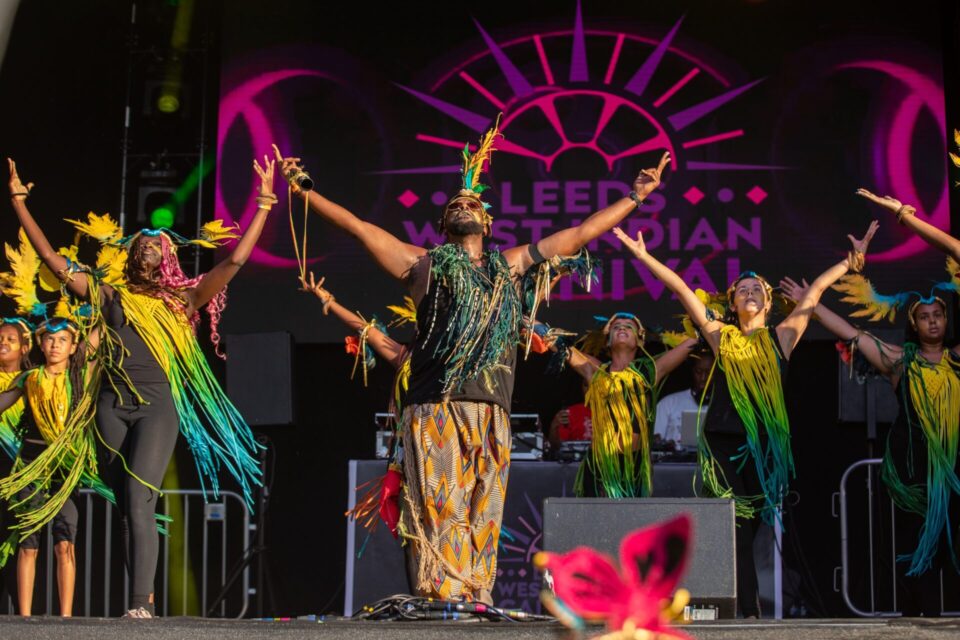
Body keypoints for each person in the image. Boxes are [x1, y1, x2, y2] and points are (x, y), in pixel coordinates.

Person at [276, 126, 671, 603]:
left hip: (492, 411)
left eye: (472, 203)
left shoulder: (511, 265)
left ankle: (475, 602)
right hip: (436, 406)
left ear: (486, 222)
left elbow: (580, 234)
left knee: (485, 511)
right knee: (441, 508)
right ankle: (442, 605)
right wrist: (304, 190)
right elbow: (358, 227)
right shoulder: (422, 265)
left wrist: (635, 196)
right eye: (454, 205)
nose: (463, 205)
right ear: (444, 225)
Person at [5, 155, 275, 618]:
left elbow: (235, 259)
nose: (148, 246)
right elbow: (52, 260)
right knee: (127, 509)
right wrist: (18, 202)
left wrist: (264, 203)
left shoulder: (182, 300)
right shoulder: (109, 295)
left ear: (168, 257)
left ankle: (138, 605)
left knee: (138, 497)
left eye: (156, 243)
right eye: (141, 243)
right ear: (130, 255)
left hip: (155, 409)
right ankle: (142, 601)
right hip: (110, 407)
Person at [614, 220, 877, 617]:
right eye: (742, 290)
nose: (750, 293)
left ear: (768, 304)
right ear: (733, 304)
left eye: (757, 290)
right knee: (734, 519)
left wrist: (849, 262)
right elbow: (681, 288)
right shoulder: (721, 335)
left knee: (753, 525)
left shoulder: (782, 336)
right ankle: (746, 609)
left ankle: (738, 600)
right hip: (723, 442)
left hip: (764, 445)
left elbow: (815, 293)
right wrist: (643, 255)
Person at [777, 187, 960, 616]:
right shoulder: (900, 362)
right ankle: (919, 623)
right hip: (913, 471)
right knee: (914, 549)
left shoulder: (957, 360)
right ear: (914, 325)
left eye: (938, 315)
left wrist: (907, 217)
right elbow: (853, 334)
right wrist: (811, 304)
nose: (932, 321)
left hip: (954, 467)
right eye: (924, 316)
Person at [0, 318, 90, 616]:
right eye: (50, 340)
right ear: (40, 343)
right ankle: (25, 618)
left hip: (64, 466)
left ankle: (66, 618)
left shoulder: (81, 377)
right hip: (32, 462)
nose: (55, 345)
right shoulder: (30, 378)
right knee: (29, 542)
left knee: (65, 541)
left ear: (73, 346)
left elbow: (99, 338)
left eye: (62, 340)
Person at [560, 313, 696, 497]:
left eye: (629, 326)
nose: (622, 327)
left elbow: (693, 342)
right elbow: (558, 344)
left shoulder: (648, 373)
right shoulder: (597, 371)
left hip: (634, 465)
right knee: (596, 514)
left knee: (633, 514)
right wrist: (531, 323)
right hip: (600, 464)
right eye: (616, 326)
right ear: (608, 340)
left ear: (640, 340)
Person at [653, 349, 714, 449]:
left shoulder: (723, 406)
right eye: (698, 372)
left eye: (708, 373)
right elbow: (655, 438)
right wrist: (665, 445)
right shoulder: (669, 403)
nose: (703, 378)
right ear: (692, 371)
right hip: (676, 458)